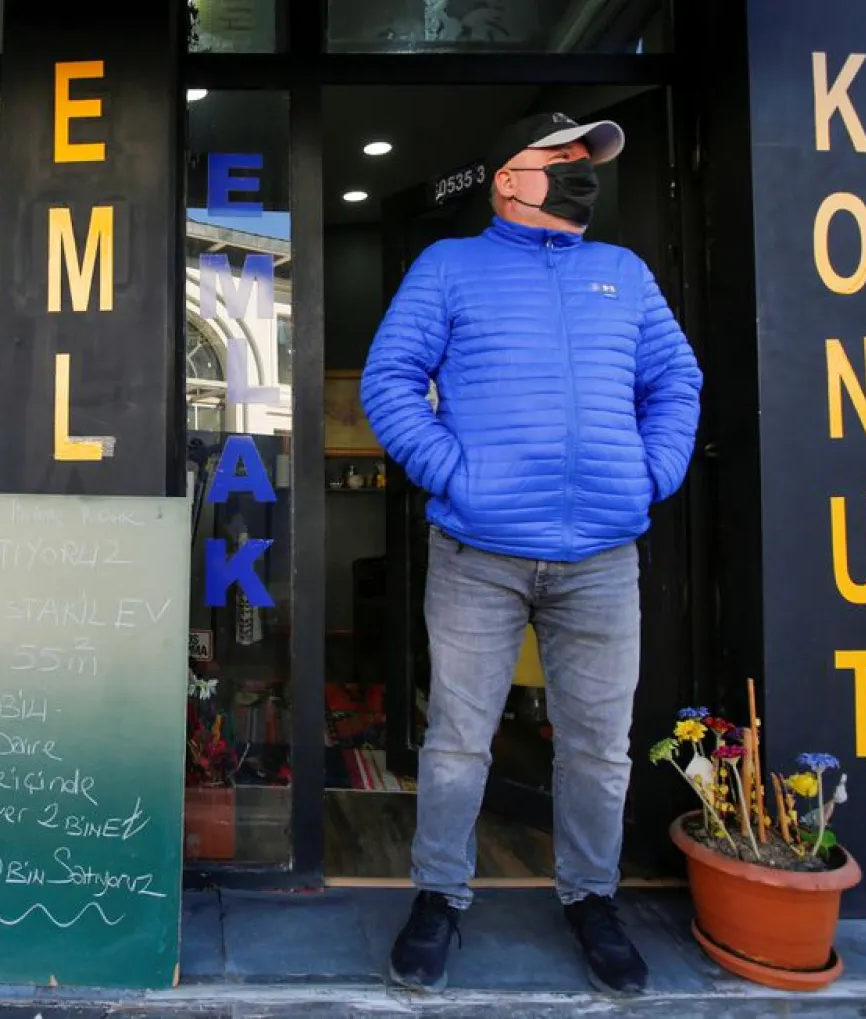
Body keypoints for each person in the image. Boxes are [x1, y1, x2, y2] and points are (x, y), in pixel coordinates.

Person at [360, 112, 702, 995]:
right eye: (562, 157)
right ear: (508, 178)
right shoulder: (449, 268)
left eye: (587, 160)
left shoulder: (622, 273)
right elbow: (388, 380)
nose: (581, 170)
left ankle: (592, 899)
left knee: (599, 748)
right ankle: (439, 896)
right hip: (479, 551)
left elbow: (676, 379)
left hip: (601, 556)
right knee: (456, 743)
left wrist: (650, 473)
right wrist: (456, 475)